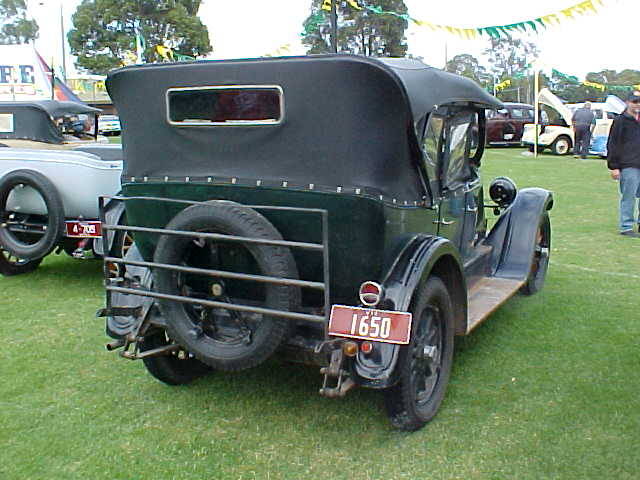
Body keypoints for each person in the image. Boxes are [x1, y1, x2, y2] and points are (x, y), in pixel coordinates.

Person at [606, 90, 640, 238]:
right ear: (627, 102)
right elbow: (613, 144)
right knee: (629, 197)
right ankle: (626, 226)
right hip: (628, 165)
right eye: (634, 102)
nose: (637, 105)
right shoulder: (620, 121)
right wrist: (614, 166)